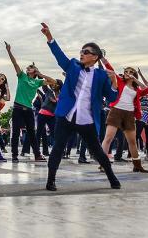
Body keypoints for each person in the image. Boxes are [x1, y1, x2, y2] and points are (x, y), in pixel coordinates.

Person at [40, 23, 120, 191]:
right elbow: (59, 56)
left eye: (86, 52)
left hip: (87, 119)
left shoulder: (101, 75)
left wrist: (113, 82)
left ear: (95, 57)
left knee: (98, 151)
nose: (82, 54)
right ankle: (50, 180)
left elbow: (112, 97)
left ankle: (112, 177)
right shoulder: (73, 66)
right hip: (66, 116)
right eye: (81, 51)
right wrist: (49, 37)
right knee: (58, 148)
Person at [4, 41, 53, 163]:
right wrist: (9, 51)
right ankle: (14, 155)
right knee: (15, 132)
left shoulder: (37, 82)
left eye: (30, 68)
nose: (28, 68)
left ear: (34, 71)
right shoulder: (22, 76)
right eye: (28, 67)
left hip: (29, 109)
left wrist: (40, 73)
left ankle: (37, 155)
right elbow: (14, 63)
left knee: (32, 132)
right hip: (18, 108)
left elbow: (53, 82)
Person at [101, 60, 148, 173]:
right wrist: (102, 58)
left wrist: (134, 79)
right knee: (108, 138)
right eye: (126, 71)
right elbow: (110, 68)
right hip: (116, 111)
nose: (127, 73)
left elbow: (147, 89)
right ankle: (103, 164)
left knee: (132, 141)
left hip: (129, 114)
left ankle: (137, 165)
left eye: (131, 72)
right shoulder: (119, 81)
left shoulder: (136, 90)